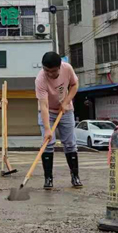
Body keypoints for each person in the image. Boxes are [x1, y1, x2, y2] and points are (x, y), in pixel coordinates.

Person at [35, 52, 82, 189]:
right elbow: (43, 105)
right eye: (46, 70)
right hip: (48, 112)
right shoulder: (40, 79)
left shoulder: (67, 68)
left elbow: (74, 85)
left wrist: (66, 101)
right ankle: (48, 178)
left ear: (59, 67)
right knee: (48, 144)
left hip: (65, 111)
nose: (50, 74)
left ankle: (75, 176)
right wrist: (48, 129)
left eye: (53, 71)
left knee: (70, 143)